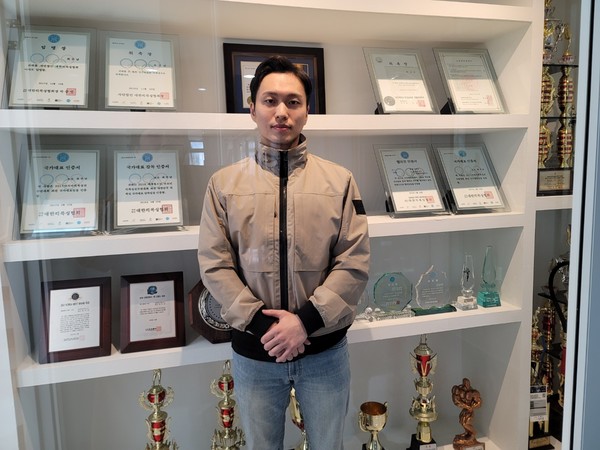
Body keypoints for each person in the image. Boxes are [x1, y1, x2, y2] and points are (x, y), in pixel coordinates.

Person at [197, 55, 370, 450]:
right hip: (255, 353)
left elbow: (354, 260)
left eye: (293, 102)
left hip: (323, 351)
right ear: (252, 108)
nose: (281, 112)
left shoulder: (340, 181)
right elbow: (215, 263)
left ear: (307, 111)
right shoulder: (223, 184)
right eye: (269, 100)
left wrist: (304, 323)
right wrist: (265, 327)